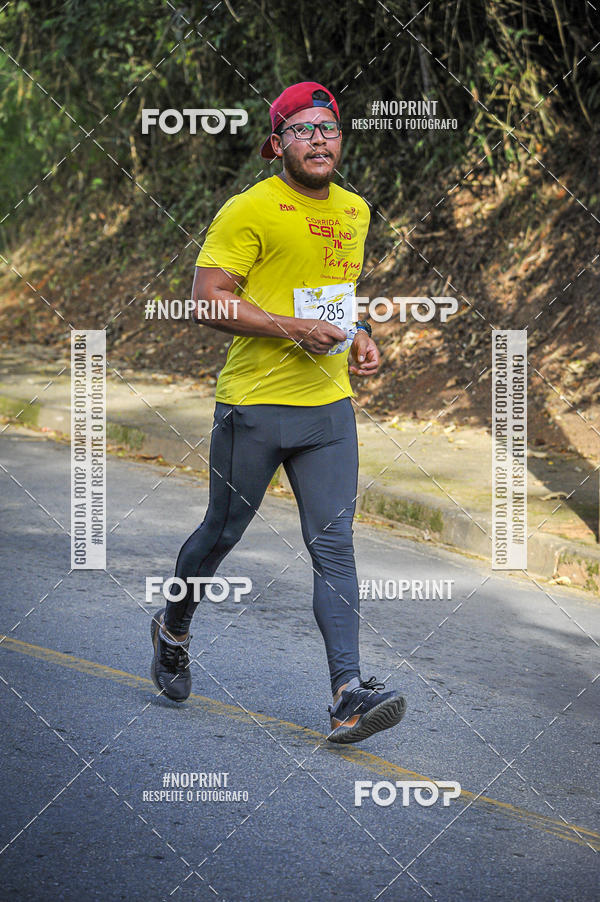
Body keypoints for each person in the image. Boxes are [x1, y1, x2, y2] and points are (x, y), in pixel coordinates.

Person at [150, 81, 406, 743]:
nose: (318, 139)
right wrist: (293, 329)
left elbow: (334, 292)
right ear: (277, 143)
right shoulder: (250, 209)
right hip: (255, 407)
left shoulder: (355, 210)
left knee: (335, 547)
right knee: (220, 533)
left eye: (328, 128)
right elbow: (208, 299)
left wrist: (360, 332)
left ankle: (347, 695)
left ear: (340, 140)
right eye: (302, 129)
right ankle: (173, 629)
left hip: (328, 411)